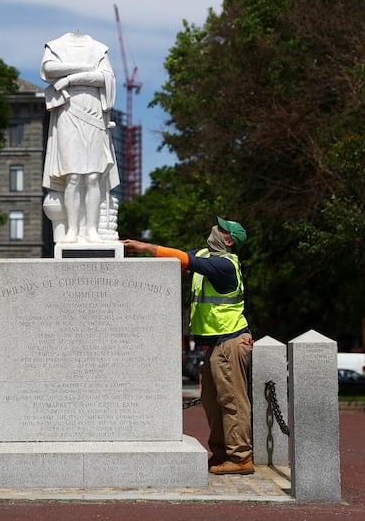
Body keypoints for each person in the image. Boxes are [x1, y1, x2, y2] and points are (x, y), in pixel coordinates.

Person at [121, 217, 254, 475]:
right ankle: (221, 455)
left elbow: (187, 261)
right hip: (217, 344)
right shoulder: (207, 254)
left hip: (230, 341)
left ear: (227, 240)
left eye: (220, 228)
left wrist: (144, 247)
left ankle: (241, 458)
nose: (214, 229)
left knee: (232, 401)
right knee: (212, 401)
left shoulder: (224, 264)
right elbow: (180, 258)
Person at [41, 32, 120, 243]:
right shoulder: (55, 45)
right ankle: (72, 230)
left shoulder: (99, 48)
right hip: (69, 111)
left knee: (93, 176)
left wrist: (69, 79)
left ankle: (91, 230)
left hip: (94, 113)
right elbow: (49, 70)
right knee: (73, 176)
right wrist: (85, 69)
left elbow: (105, 77)